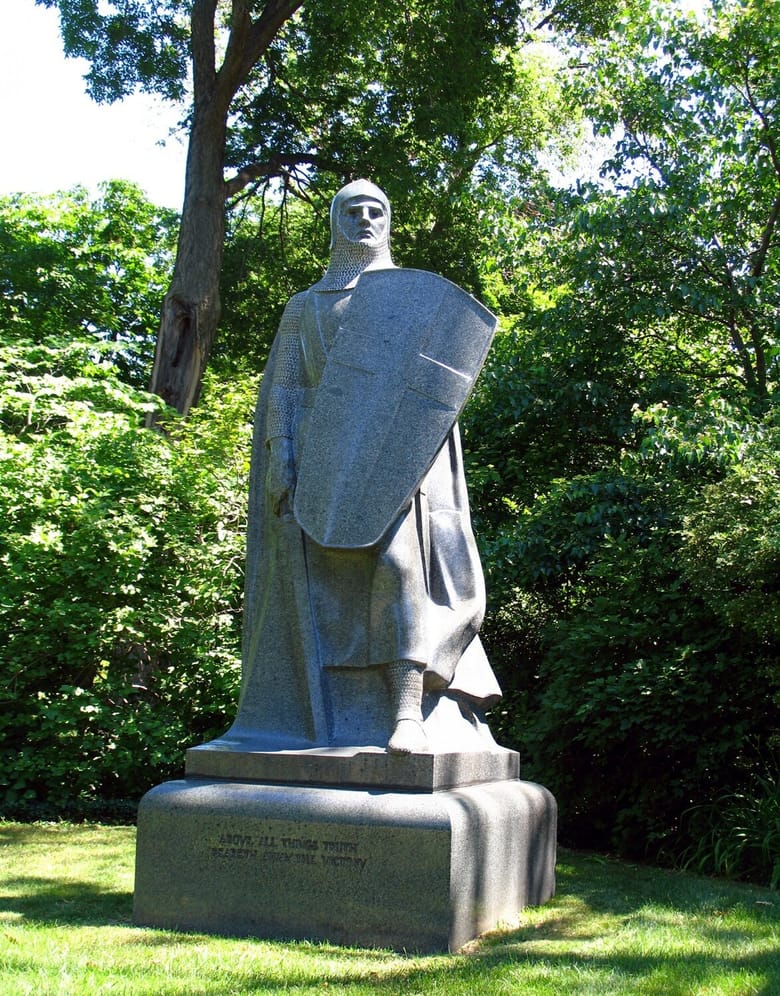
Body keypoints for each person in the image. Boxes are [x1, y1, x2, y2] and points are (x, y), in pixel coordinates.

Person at [232, 179, 501, 755]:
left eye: (376, 209)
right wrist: (280, 453)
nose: (364, 218)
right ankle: (315, 715)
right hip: (321, 469)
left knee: (400, 570)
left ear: (389, 221)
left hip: (388, 466)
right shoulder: (305, 306)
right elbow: (282, 386)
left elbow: (430, 394)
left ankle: (406, 715)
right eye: (351, 210)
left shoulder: (411, 302)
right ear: (334, 223)